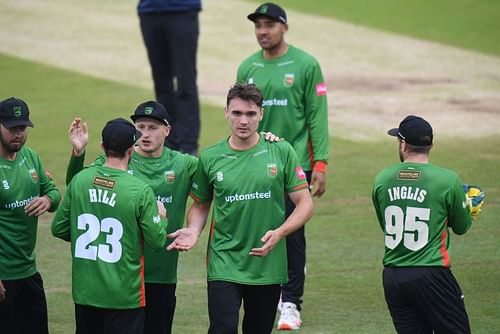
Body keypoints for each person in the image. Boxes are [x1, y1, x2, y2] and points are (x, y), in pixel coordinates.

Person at [167, 83, 314, 334]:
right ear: (226, 112)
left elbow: (305, 203)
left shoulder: (280, 150)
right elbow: (201, 203)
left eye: (250, 114)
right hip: (224, 262)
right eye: (237, 113)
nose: (243, 121)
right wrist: (193, 230)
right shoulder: (211, 157)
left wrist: (280, 232)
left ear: (261, 114)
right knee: (222, 328)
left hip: (267, 265)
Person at [65, 101, 197, 334]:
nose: (145, 134)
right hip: (121, 279)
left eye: (153, 128)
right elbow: (76, 186)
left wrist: (266, 142)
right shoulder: (118, 161)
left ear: (167, 130)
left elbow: (220, 176)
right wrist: (78, 153)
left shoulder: (183, 164)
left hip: (161, 276)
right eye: (141, 127)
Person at [236, 2, 330, 329]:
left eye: (269, 25)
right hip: (257, 163)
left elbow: (317, 115)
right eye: (258, 26)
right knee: (260, 225)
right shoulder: (247, 67)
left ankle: (290, 303)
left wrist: (321, 162)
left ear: (284, 27)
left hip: (296, 164)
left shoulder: (306, 65)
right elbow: (239, 119)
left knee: (293, 234)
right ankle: (271, 290)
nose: (263, 32)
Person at [52, 118, 168, 334]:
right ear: (132, 150)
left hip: (85, 295)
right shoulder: (140, 191)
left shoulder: (80, 180)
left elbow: (58, 228)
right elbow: (157, 240)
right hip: (124, 297)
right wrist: (161, 216)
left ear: (102, 147)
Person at [372, 115, 475, 333]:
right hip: (432, 274)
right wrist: (469, 208)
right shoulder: (448, 180)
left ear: (403, 144)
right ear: (431, 145)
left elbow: (386, 226)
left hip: (393, 278)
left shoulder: (382, 179)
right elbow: (461, 226)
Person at [0, 97, 61, 334]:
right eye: (12, 128)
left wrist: (47, 200)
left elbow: (54, 192)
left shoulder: (30, 156)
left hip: (28, 273)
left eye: (23, 128)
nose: (18, 134)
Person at [138, 0, 201, 155]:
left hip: (182, 10)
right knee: (162, 85)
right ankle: (168, 142)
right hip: (150, 11)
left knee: (185, 84)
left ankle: (188, 147)